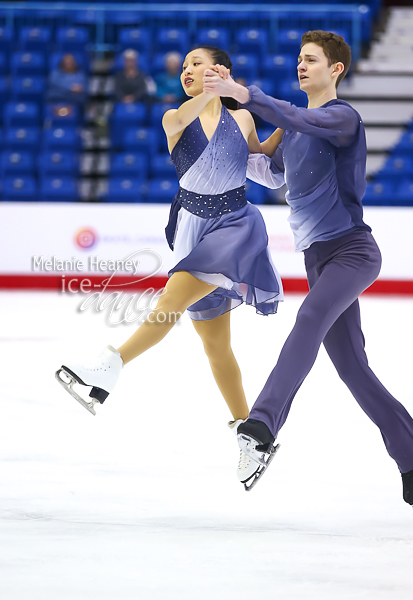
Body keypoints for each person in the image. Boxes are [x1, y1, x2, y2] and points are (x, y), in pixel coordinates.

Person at [203, 30, 413, 510]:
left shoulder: (341, 118)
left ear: (336, 69)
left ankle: (261, 426)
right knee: (352, 367)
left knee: (309, 320)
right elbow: (268, 171)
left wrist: (247, 93)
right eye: (298, 58)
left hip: (352, 251)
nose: (301, 65)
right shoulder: (293, 129)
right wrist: (224, 130)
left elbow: (292, 115)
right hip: (318, 259)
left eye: (310, 59)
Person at [56, 46, 283, 474]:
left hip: (234, 225)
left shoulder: (244, 119)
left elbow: (261, 168)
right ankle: (252, 436)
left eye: (197, 64)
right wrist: (216, 91)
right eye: (184, 67)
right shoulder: (175, 117)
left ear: (221, 70)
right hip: (191, 229)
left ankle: (108, 368)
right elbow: (186, 116)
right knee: (216, 346)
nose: (187, 71)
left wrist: (288, 128)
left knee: (167, 305)